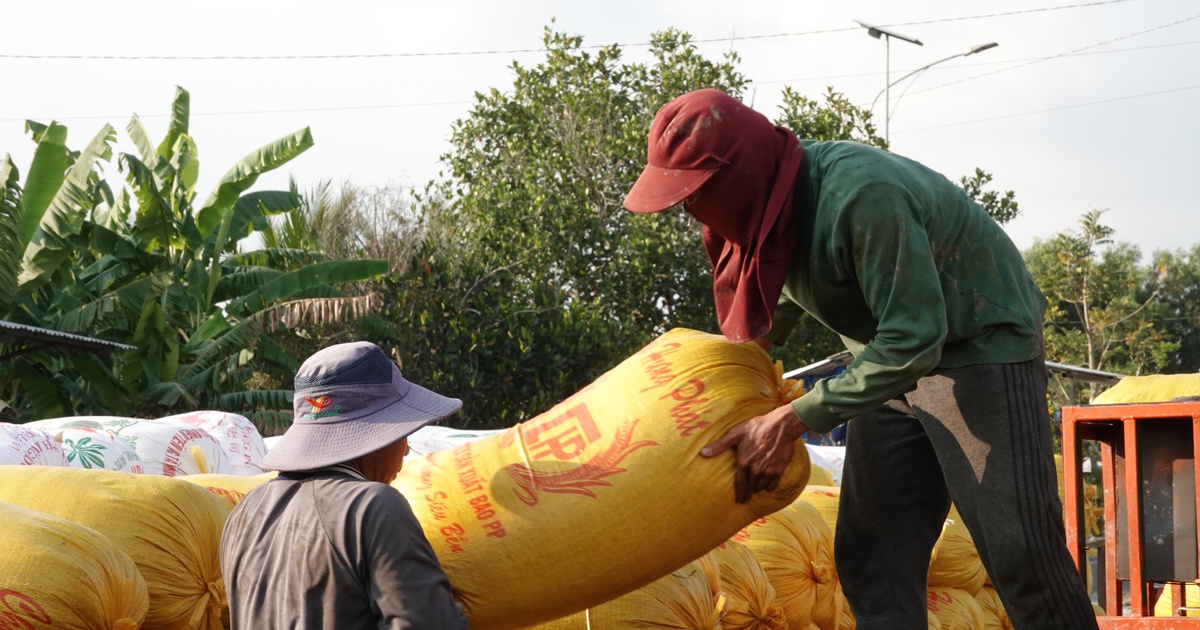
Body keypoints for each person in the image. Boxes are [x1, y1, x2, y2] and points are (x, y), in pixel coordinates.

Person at [623, 88, 1099, 630]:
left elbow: (916, 337)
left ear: (737, 177)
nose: (690, 211)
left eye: (695, 195)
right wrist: (700, 395)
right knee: (872, 554)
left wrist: (790, 420)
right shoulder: (766, 217)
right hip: (891, 359)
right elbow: (766, 316)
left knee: (1018, 551)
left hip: (977, 346)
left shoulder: (860, 197)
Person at [220, 341, 470, 629]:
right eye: (403, 432)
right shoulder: (373, 507)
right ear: (375, 434)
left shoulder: (243, 513)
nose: (405, 449)